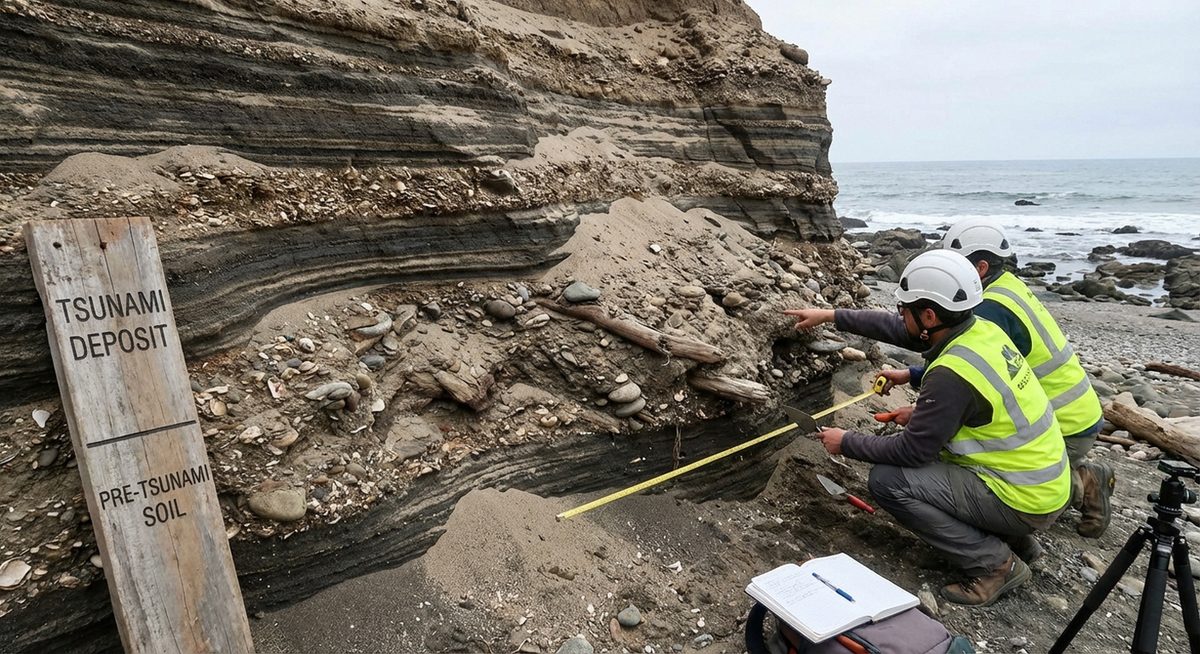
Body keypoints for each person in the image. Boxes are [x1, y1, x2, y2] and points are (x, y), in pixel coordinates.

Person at [786, 217, 1113, 540]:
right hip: (1055, 414)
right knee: (1007, 468)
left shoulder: (989, 311)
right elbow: (973, 374)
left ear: (980, 267)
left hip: (1063, 422)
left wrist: (848, 442)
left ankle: (1074, 486)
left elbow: (952, 387)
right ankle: (1050, 499)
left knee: (921, 473)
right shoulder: (986, 306)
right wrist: (836, 319)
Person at [803, 250, 1071, 606]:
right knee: (924, 463)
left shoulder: (951, 375)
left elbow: (913, 452)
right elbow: (976, 402)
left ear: (929, 316)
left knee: (887, 481)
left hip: (1024, 498)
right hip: (1045, 483)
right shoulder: (981, 330)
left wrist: (846, 442)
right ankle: (1016, 541)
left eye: (904, 308)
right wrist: (831, 316)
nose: (900, 315)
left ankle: (995, 565)